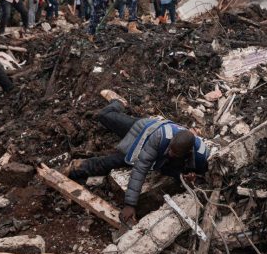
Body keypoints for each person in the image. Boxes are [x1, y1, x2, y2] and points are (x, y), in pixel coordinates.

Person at [67, 93, 209, 225]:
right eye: (170, 149)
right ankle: (119, 102)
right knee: (104, 115)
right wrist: (130, 204)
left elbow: (201, 178)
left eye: (175, 152)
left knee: (109, 162)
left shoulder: (200, 156)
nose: (170, 152)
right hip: (143, 130)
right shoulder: (161, 137)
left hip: (154, 152)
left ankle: (76, 168)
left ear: (187, 152)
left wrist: (189, 179)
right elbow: (141, 168)